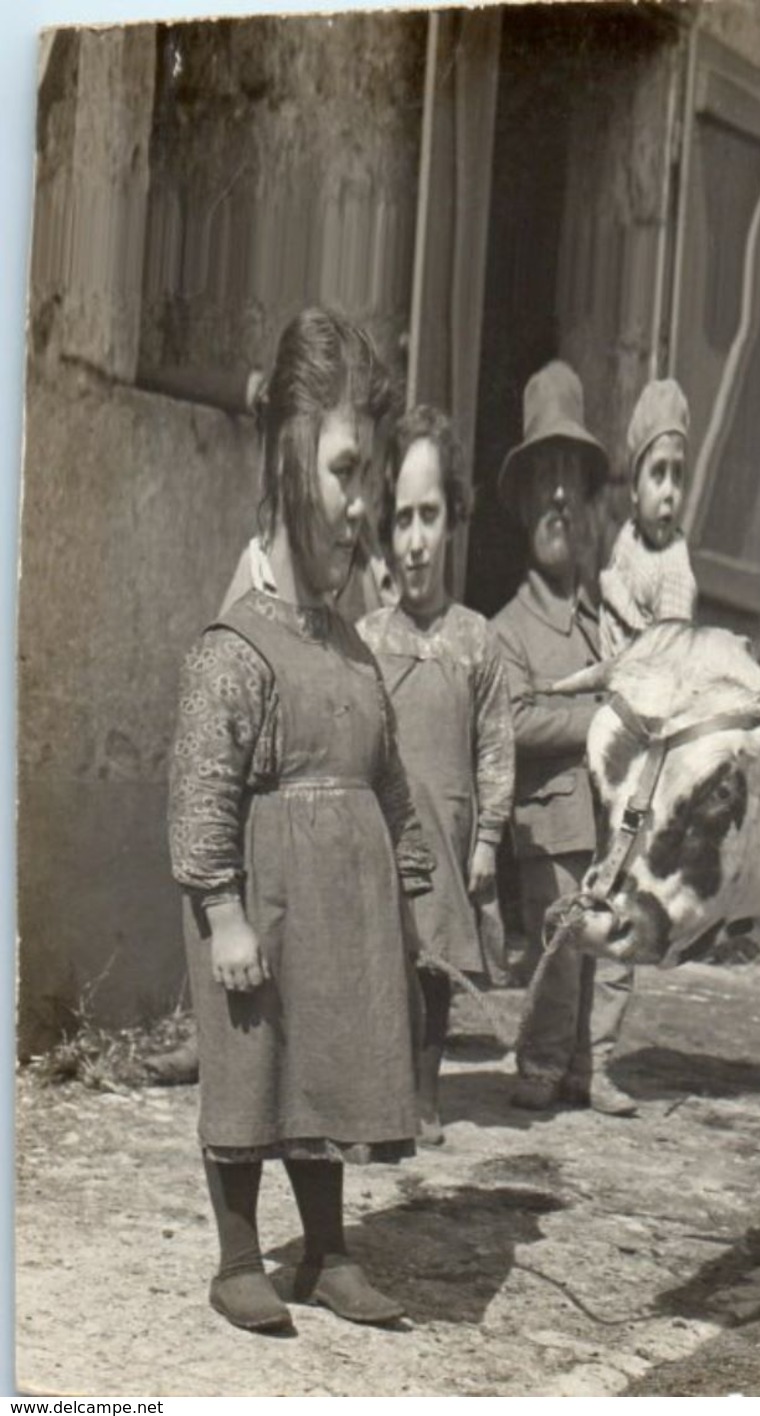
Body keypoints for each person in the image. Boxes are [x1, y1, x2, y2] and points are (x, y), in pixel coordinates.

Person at [168, 307, 433, 1334]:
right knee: (250, 1069)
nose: (361, 505)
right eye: (343, 473)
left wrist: (417, 882)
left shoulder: (349, 645)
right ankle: (239, 1254)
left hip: (332, 923)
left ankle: (325, 1253)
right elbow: (200, 795)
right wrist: (222, 912)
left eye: (370, 480)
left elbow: (386, 769)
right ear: (287, 455)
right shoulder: (237, 644)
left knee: (324, 1063)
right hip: (255, 923)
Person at [358, 406, 515, 1147]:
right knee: (383, 962)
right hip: (385, 833)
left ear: (453, 517)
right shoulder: (368, 639)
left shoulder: (476, 641)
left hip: (449, 833)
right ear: (384, 532)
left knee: (434, 969)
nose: (416, 541)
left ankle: (424, 1097)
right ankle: (373, 1101)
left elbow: (494, 746)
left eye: (430, 516)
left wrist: (487, 839)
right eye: (401, 521)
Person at [491, 360, 638, 1118]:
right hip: (549, 827)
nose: (557, 496)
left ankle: (594, 1063)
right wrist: (601, 720)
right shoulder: (506, 631)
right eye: (541, 479)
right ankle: (543, 1060)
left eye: (569, 482)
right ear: (522, 506)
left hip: (610, 829)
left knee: (612, 945)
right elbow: (513, 721)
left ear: (586, 504)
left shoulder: (604, 626)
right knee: (556, 952)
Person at [598, 378, 698, 659]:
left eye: (677, 475)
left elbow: (669, 666)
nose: (670, 492)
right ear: (633, 489)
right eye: (658, 473)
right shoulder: (628, 537)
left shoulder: (674, 571)